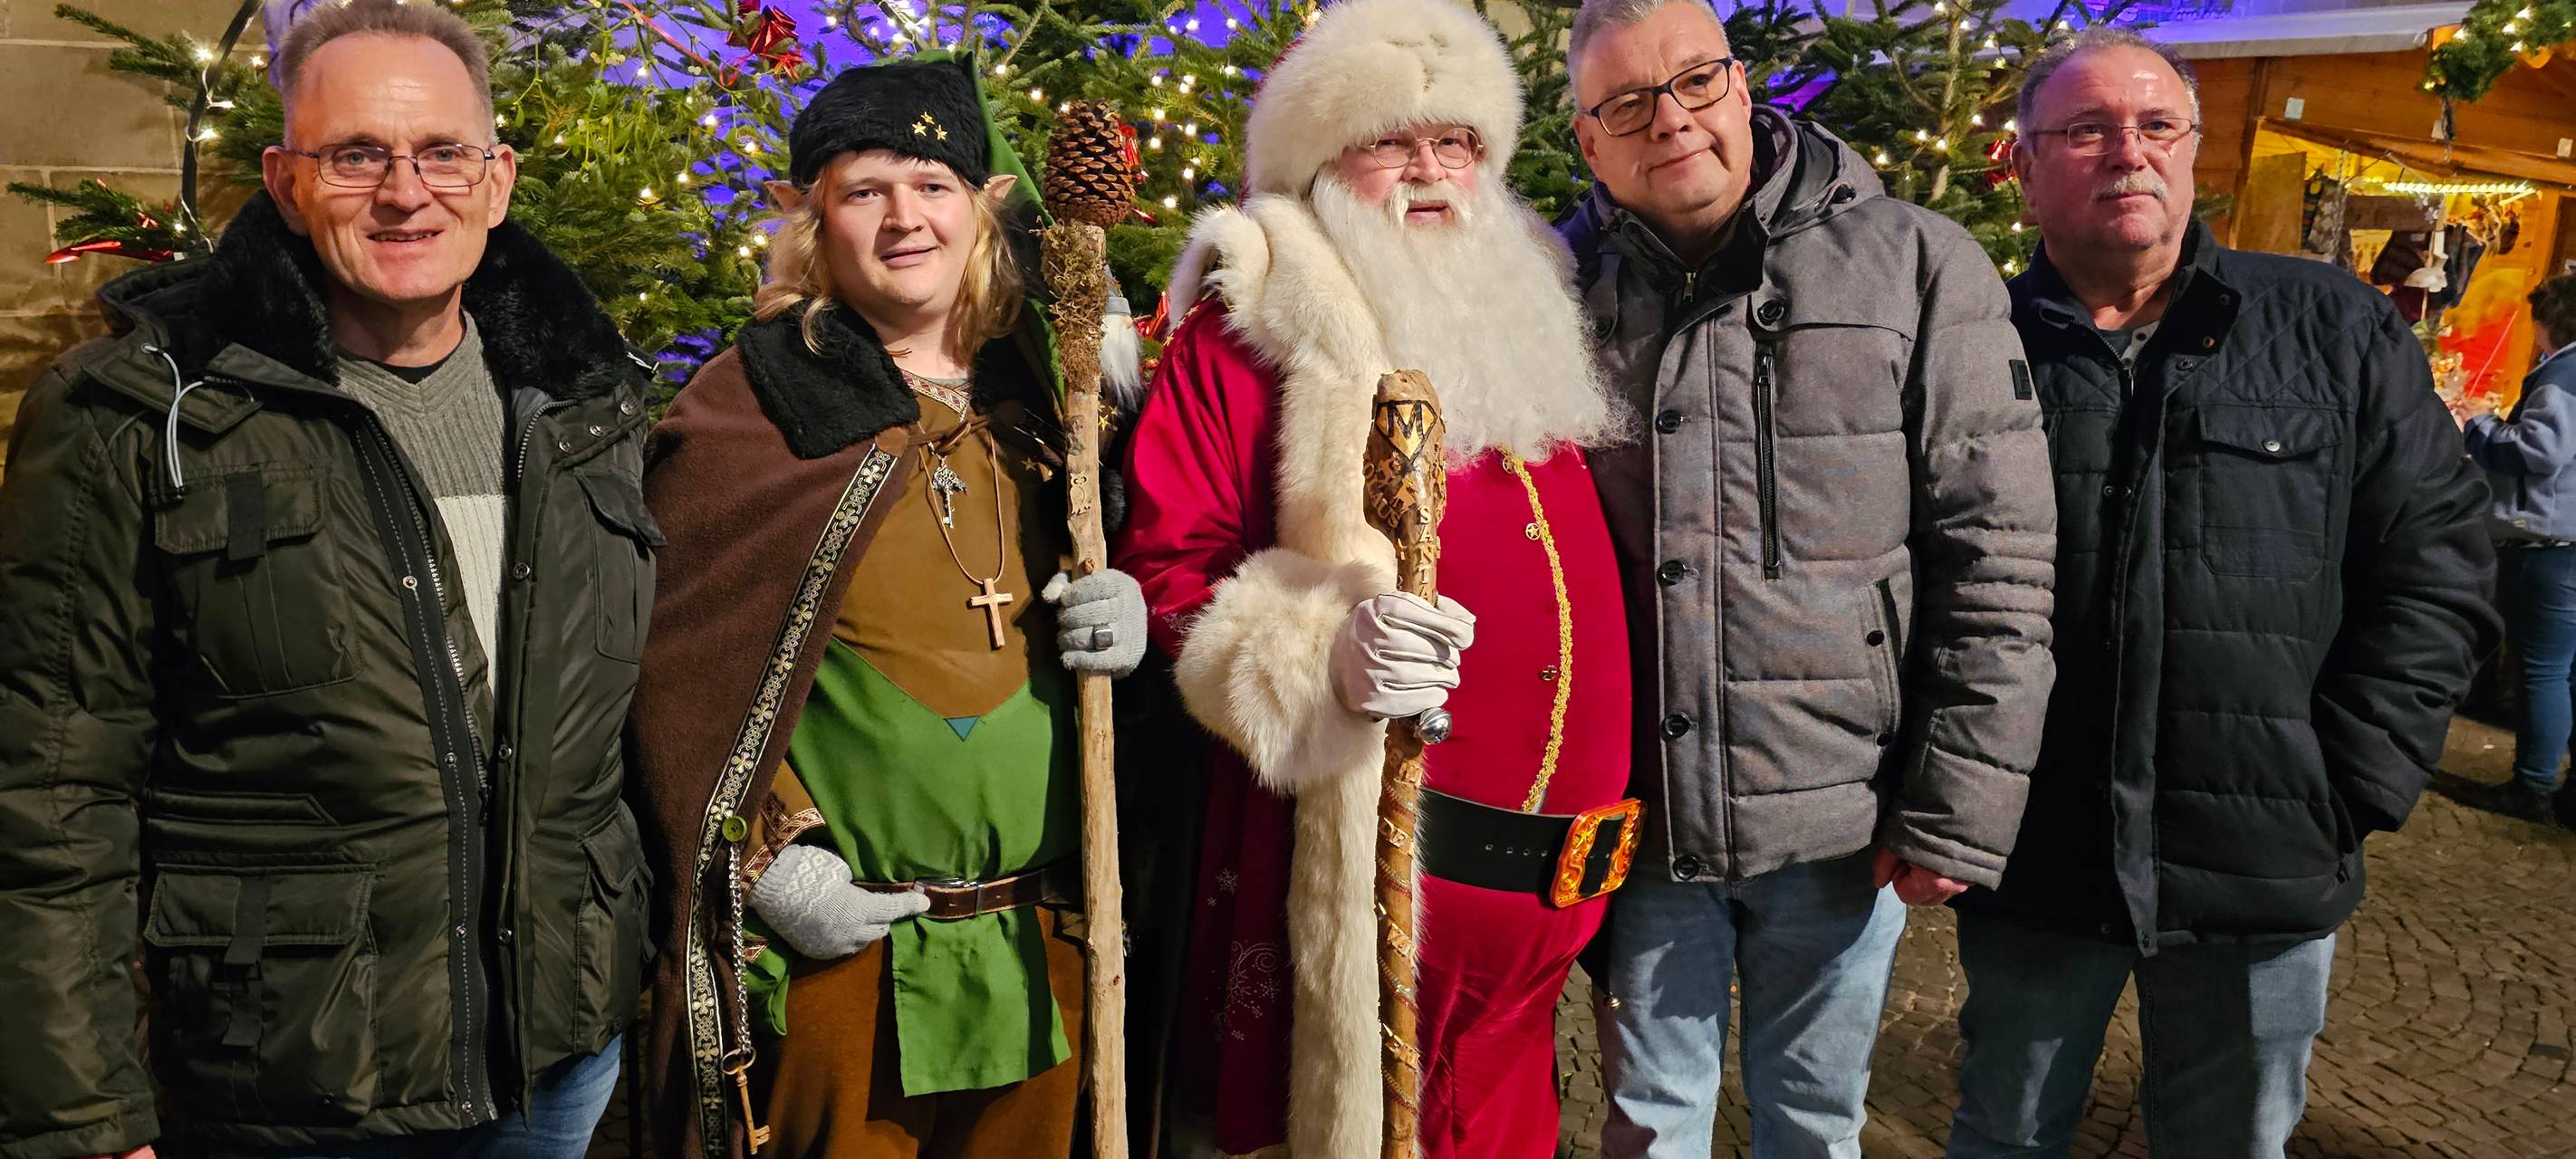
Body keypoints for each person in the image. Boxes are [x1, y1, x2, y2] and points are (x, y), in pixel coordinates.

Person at [0, 2, 654, 1157]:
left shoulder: (587, 408)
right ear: (287, 181)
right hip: (293, 1079)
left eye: (443, 152)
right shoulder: (142, 415)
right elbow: (54, 785)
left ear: (497, 181)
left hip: (554, 1066)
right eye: (357, 155)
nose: (406, 192)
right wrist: (83, 1110)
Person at [1949, 28, 2499, 1158]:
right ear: (2026, 166)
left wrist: (2352, 779)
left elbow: (2436, 560)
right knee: (2005, 1132)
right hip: (2038, 854)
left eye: (2157, 125)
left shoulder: (2330, 327)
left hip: (2264, 853)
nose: (2129, 151)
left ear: (2194, 150)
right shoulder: (1969, 346)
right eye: (2088, 129)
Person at [1110, 1, 1639, 1154]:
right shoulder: (1252, 321)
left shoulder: (1524, 300)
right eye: (1391, 141)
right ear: (1322, 158)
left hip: (1549, 919)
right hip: (1384, 880)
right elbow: (1170, 564)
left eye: (1457, 143)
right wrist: (1322, 651)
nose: (1431, 170)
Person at [1553, 2, 2059, 1154]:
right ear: (1588, 140)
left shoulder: (1914, 263)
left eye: (1693, 82)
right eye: (1626, 104)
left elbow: (1997, 550)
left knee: (1816, 1123)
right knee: (1649, 1125)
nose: (1669, 120)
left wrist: (1957, 805)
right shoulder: (1553, 287)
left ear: (1741, 87)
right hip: (1644, 814)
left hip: (1843, 813)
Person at [629, 58, 1148, 1159]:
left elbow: (1170, 565)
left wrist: (1132, 608)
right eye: (866, 190)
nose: (905, 218)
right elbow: (670, 666)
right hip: (844, 963)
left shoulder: (1054, 407)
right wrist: (771, 856)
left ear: (982, 205)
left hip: (1043, 946)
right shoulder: (754, 406)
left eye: (932, 185)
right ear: (814, 218)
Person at [2462, 273, 2576, 828]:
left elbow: (2540, 451)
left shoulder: (2563, 372)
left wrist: (2477, 425)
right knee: (2568, 671)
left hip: (2547, 541)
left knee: (2542, 670)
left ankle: (2532, 786)